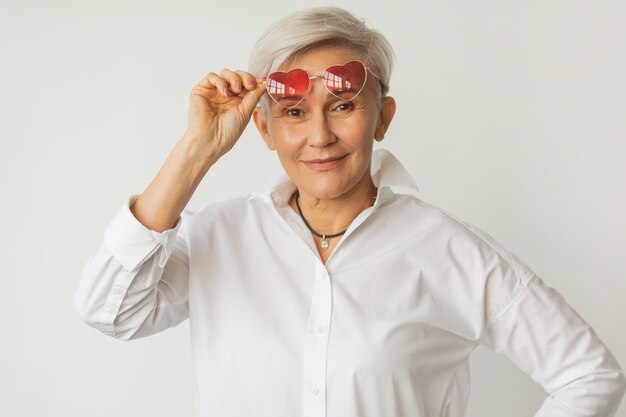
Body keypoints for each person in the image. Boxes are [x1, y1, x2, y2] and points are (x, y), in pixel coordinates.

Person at [74, 6, 625, 417]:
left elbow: (589, 374)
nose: (319, 136)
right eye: (292, 111)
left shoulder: (450, 250)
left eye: (343, 106)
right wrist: (196, 152)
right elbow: (110, 311)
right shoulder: (219, 235)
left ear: (381, 118)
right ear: (262, 129)